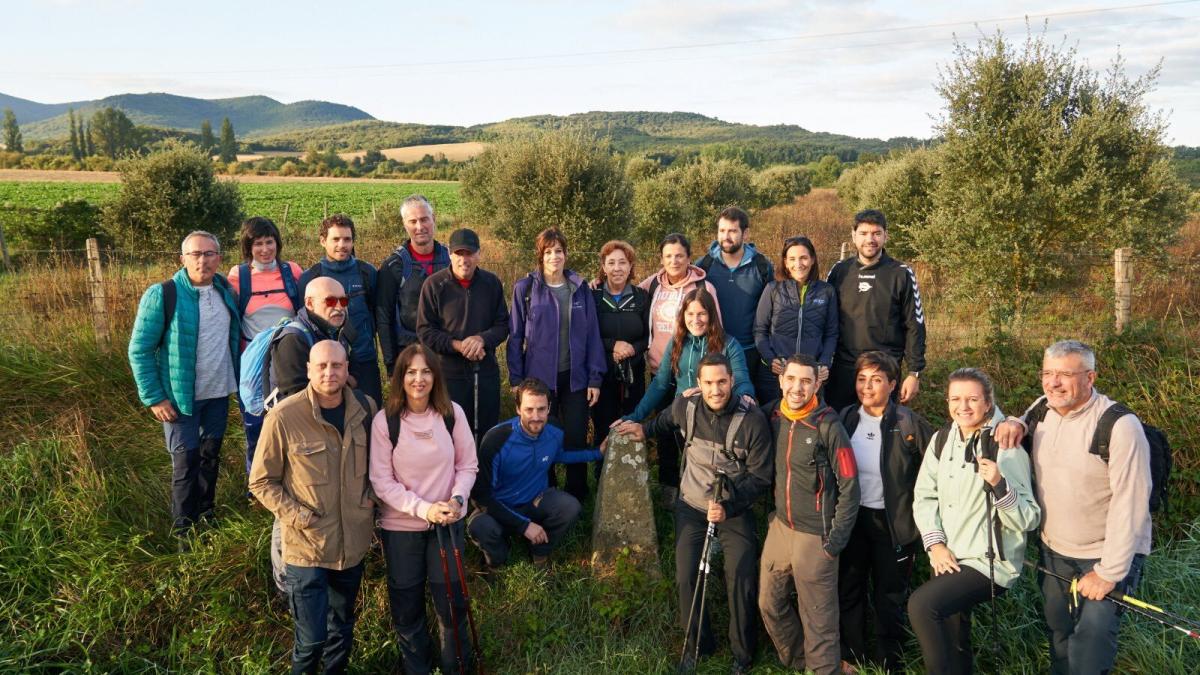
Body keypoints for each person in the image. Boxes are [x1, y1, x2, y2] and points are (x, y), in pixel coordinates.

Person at [994, 340, 1151, 674]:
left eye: (1065, 374)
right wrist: (1013, 422)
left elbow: (1132, 503)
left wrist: (1109, 572)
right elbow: (1023, 420)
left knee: (1089, 646)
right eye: (1048, 373)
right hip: (1055, 551)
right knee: (1060, 634)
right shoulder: (1042, 410)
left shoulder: (1119, 426)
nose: (1053, 382)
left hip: (1105, 554)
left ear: (1090, 377)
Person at [616, 353, 772, 674]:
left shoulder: (753, 420)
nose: (716, 390)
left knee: (740, 577)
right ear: (698, 384)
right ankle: (698, 644)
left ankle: (742, 654)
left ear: (731, 381)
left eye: (722, 382)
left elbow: (760, 477)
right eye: (709, 383)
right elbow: (663, 422)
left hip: (734, 510)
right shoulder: (685, 407)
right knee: (686, 576)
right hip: (691, 506)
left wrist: (728, 507)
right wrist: (643, 431)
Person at [249, 340, 377, 675]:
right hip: (307, 547)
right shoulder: (283, 416)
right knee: (311, 640)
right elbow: (261, 482)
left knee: (341, 631)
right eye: (321, 366)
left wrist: (371, 500)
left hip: (352, 544)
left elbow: (381, 466)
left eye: (337, 365)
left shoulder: (367, 409)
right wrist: (299, 517)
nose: (329, 372)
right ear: (308, 369)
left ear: (347, 370)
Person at [909, 368, 1040, 675]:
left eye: (972, 399)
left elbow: (1030, 518)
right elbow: (924, 496)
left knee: (922, 607)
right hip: (947, 555)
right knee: (954, 637)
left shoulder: (1005, 446)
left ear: (988, 402)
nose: (963, 406)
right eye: (956, 398)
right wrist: (936, 544)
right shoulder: (943, 439)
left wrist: (999, 485)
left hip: (988, 562)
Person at [370, 343, 478, 675]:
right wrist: (424, 509)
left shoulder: (451, 414)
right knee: (407, 609)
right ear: (400, 377)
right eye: (411, 372)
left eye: (426, 371)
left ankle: (455, 667)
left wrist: (458, 500)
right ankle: (416, 668)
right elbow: (381, 481)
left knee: (451, 606)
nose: (419, 379)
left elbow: (468, 465)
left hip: (447, 525)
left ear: (436, 376)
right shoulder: (385, 422)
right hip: (401, 529)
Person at [128, 231, 239, 544]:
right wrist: (155, 398)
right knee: (185, 462)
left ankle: (207, 514)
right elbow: (139, 349)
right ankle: (183, 530)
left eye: (209, 254)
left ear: (219, 258)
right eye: (195, 254)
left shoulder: (225, 291)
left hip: (218, 393)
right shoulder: (163, 294)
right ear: (182, 259)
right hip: (179, 399)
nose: (202, 260)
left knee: (210, 456)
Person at [758, 354, 859, 675]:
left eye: (805, 381)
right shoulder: (773, 416)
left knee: (819, 619)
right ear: (781, 380)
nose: (797, 387)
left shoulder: (828, 425)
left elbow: (850, 484)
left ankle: (824, 668)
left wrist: (835, 540)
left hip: (817, 534)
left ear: (817, 383)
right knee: (769, 604)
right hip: (781, 526)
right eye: (791, 379)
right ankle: (802, 660)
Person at [837, 350, 933, 672]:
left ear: (892, 385)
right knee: (849, 587)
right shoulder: (846, 417)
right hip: (854, 520)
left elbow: (939, 461)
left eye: (876, 380)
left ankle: (889, 661)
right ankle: (852, 656)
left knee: (889, 596)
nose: (867, 386)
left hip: (894, 523)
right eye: (862, 379)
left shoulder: (907, 422)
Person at [261, 276, 356, 594]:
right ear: (310, 303)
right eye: (331, 301)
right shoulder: (294, 340)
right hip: (297, 446)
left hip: (325, 442)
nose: (339, 307)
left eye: (343, 301)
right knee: (289, 504)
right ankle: (287, 585)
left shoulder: (331, 332)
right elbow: (292, 404)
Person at [508, 228, 606, 501]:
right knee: (542, 437)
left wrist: (595, 378)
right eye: (548, 252)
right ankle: (545, 492)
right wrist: (517, 380)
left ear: (566, 254)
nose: (554, 256)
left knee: (575, 436)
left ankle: (576, 494)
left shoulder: (579, 287)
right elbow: (515, 337)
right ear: (540, 256)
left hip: (576, 378)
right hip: (538, 381)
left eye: (559, 251)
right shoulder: (525, 289)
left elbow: (593, 335)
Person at [467, 378, 602, 569]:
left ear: (549, 408)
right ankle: (496, 562)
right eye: (529, 409)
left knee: (570, 507)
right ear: (518, 408)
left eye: (541, 409)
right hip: (499, 507)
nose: (536, 416)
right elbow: (480, 496)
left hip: (534, 501)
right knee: (480, 527)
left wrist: (599, 452)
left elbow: (562, 455)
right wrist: (524, 526)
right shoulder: (496, 439)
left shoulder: (554, 429)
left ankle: (540, 551)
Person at [638, 232, 721, 504]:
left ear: (688, 257)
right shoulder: (652, 285)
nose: (674, 261)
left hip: (694, 376)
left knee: (692, 433)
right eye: (668, 256)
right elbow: (623, 290)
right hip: (660, 370)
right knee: (664, 430)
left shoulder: (704, 288)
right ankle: (668, 486)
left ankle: (694, 489)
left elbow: (716, 332)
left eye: (679, 256)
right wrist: (597, 283)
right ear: (661, 259)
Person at [825, 209, 926, 412]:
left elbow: (915, 325)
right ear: (854, 236)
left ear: (885, 236)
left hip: (884, 367)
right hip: (844, 368)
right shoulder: (839, 271)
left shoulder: (901, 273)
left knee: (880, 431)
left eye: (876, 233)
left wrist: (914, 372)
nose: (870, 239)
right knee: (840, 430)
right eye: (863, 233)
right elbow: (824, 319)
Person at [228, 216, 304, 477]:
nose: (264, 249)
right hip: (251, 363)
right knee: (256, 423)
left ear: (277, 243)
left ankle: (292, 479)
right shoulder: (238, 276)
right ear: (247, 246)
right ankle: (258, 483)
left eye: (269, 242)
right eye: (257, 243)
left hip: (286, 359)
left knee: (291, 419)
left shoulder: (292, 271)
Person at [416, 228, 510, 441]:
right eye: (459, 253)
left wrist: (481, 340)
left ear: (479, 254)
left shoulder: (491, 283)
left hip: (485, 371)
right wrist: (458, 345)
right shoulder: (433, 285)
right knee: (451, 433)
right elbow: (425, 330)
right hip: (448, 375)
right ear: (449, 253)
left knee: (487, 435)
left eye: (469, 253)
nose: (464, 259)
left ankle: (483, 475)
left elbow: (503, 324)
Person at [620, 287, 753, 427]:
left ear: (712, 315)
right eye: (690, 314)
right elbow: (660, 383)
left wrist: (746, 395)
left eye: (702, 314)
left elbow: (740, 379)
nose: (695, 320)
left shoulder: (729, 344)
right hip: (683, 416)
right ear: (683, 315)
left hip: (718, 418)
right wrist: (635, 417)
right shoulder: (676, 343)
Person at [299, 213, 382, 406]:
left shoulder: (367, 273)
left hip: (365, 361)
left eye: (347, 239)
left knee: (371, 417)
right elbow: (304, 324)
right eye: (335, 239)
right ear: (322, 241)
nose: (342, 245)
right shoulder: (310, 277)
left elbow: (378, 315)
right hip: (328, 367)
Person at [695, 206, 773, 398]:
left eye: (732, 231)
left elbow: (772, 310)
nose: (725, 236)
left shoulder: (762, 266)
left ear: (745, 233)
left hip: (750, 351)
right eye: (722, 231)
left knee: (747, 401)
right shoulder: (703, 265)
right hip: (712, 349)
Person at [753, 235, 839, 403]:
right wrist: (771, 359)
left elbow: (831, 334)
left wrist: (824, 363)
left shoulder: (827, 291)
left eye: (803, 258)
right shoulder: (772, 289)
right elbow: (759, 330)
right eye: (792, 259)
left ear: (813, 259)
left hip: (811, 375)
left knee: (809, 424)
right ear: (785, 262)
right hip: (776, 374)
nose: (798, 264)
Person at [376, 194, 451, 377]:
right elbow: (384, 317)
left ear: (434, 219)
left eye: (424, 219)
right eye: (413, 221)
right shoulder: (393, 266)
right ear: (405, 225)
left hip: (447, 354)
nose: (419, 227)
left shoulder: (451, 260)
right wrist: (391, 365)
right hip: (408, 353)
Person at [590, 240, 651, 456]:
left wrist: (632, 349)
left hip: (633, 375)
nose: (617, 268)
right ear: (604, 267)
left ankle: (632, 481)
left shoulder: (641, 297)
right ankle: (601, 481)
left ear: (630, 266)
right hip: (601, 375)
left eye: (622, 262)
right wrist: (612, 345)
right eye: (611, 263)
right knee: (603, 429)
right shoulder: (593, 296)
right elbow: (587, 334)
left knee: (632, 427)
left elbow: (648, 336)